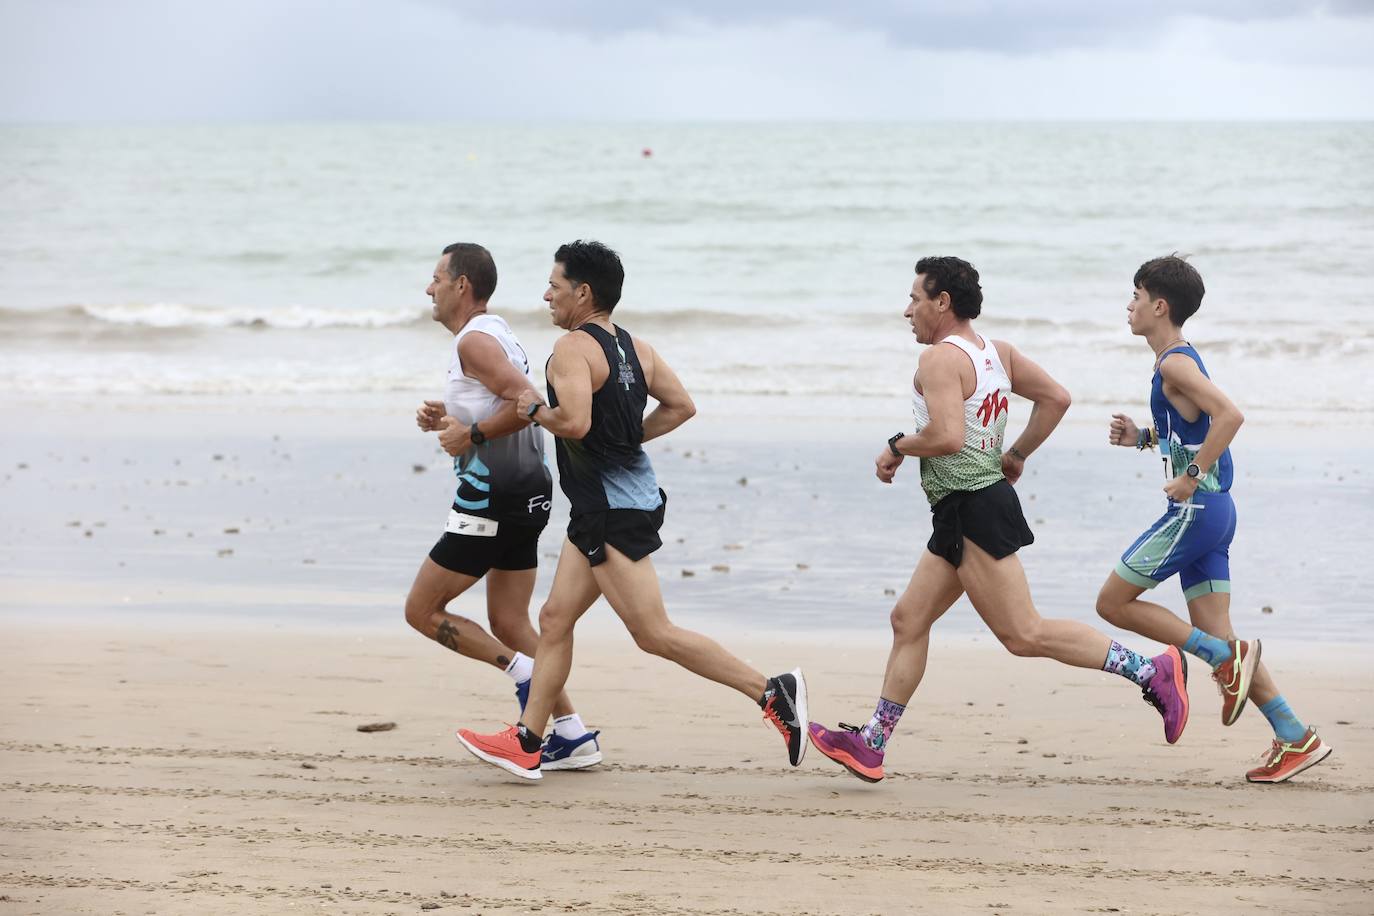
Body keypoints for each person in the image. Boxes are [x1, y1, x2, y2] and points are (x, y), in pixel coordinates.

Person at [809, 256, 1188, 783]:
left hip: (972, 509)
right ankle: (871, 744)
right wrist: (1016, 455)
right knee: (908, 620)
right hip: (963, 508)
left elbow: (947, 436)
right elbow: (1056, 399)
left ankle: (1153, 671)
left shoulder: (939, 360)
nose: (907, 311)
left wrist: (896, 446)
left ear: (942, 302)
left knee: (1024, 633)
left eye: (915, 299)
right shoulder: (996, 352)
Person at [455, 239, 807, 781]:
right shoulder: (636, 347)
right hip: (615, 502)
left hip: (608, 511)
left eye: (554, 285)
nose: (546, 295)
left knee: (653, 632)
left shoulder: (572, 349)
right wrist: (625, 441)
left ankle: (770, 691)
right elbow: (682, 406)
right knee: (554, 619)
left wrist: (533, 409)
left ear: (583, 292)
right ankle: (529, 740)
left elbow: (573, 423)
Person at [1094, 255, 1331, 784]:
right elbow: (1194, 428)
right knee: (1219, 632)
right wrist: (1142, 438)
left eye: (1136, 296)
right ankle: (1294, 735)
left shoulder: (1174, 364)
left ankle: (1220, 659)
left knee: (1112, 603)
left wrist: (1192, 475)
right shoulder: (1176, 361)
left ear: (1160, 306)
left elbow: (1230, 416)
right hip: (1216, 514)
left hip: (1196, 512)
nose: (1128, 306)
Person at [407, 242, 601, 771]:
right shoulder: (496, 333)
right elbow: (503, 403)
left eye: (436, 278)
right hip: (528, 493)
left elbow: (528, 403)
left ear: (461, 285)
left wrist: (470, 434)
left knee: (421, 611)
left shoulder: (474, 341)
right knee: (510, 619)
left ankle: (522, 675)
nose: (429, 288)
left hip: (491, 499)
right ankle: (572, 733)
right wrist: (452, 419)